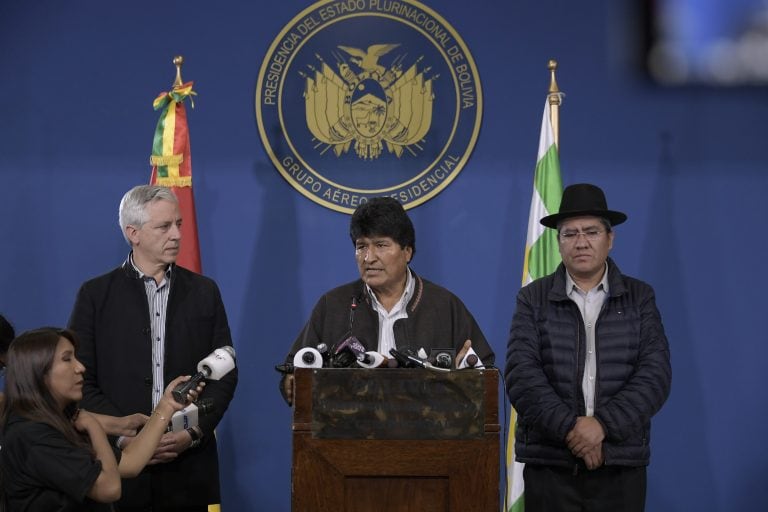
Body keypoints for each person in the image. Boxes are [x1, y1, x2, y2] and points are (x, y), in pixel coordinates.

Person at [68, 185, 238, 511]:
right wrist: (126, 438)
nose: (176, 234)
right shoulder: (95, 295)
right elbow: (80, 382)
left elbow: (225, 372)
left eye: (179, 224)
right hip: (119, 468)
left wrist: (194, 433)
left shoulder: (204, 291)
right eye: (164, 227)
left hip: (188, 468)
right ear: (133, 233)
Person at [505, 183, 672, 512]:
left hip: (620, 467)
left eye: (591, 232)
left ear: (610, 239)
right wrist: (572, 430)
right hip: (551, 466)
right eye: (570, 234)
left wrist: (602, 427)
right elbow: (521, 375)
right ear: (558, 242)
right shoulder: (532, 298)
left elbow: (655, 374)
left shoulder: (640, 298)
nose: (580, 242)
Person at [281, 196, 494, 405]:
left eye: (381, 245)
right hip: (350, 435)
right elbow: (294, 370)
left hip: (426, 435)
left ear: (407, 251)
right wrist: (291, 380)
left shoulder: (444, 306)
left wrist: (465, 378)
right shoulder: (333, 305)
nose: (369, 257)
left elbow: (484, 376)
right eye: (361, 246)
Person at [0, 327, 200, 511]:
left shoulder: (59, 423)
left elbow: (130, 463)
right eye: (67, 359)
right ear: (38, 370)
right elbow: (109, 488)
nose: (80, 367)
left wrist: (167, 405)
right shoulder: (33, 436)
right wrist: (94, 428)